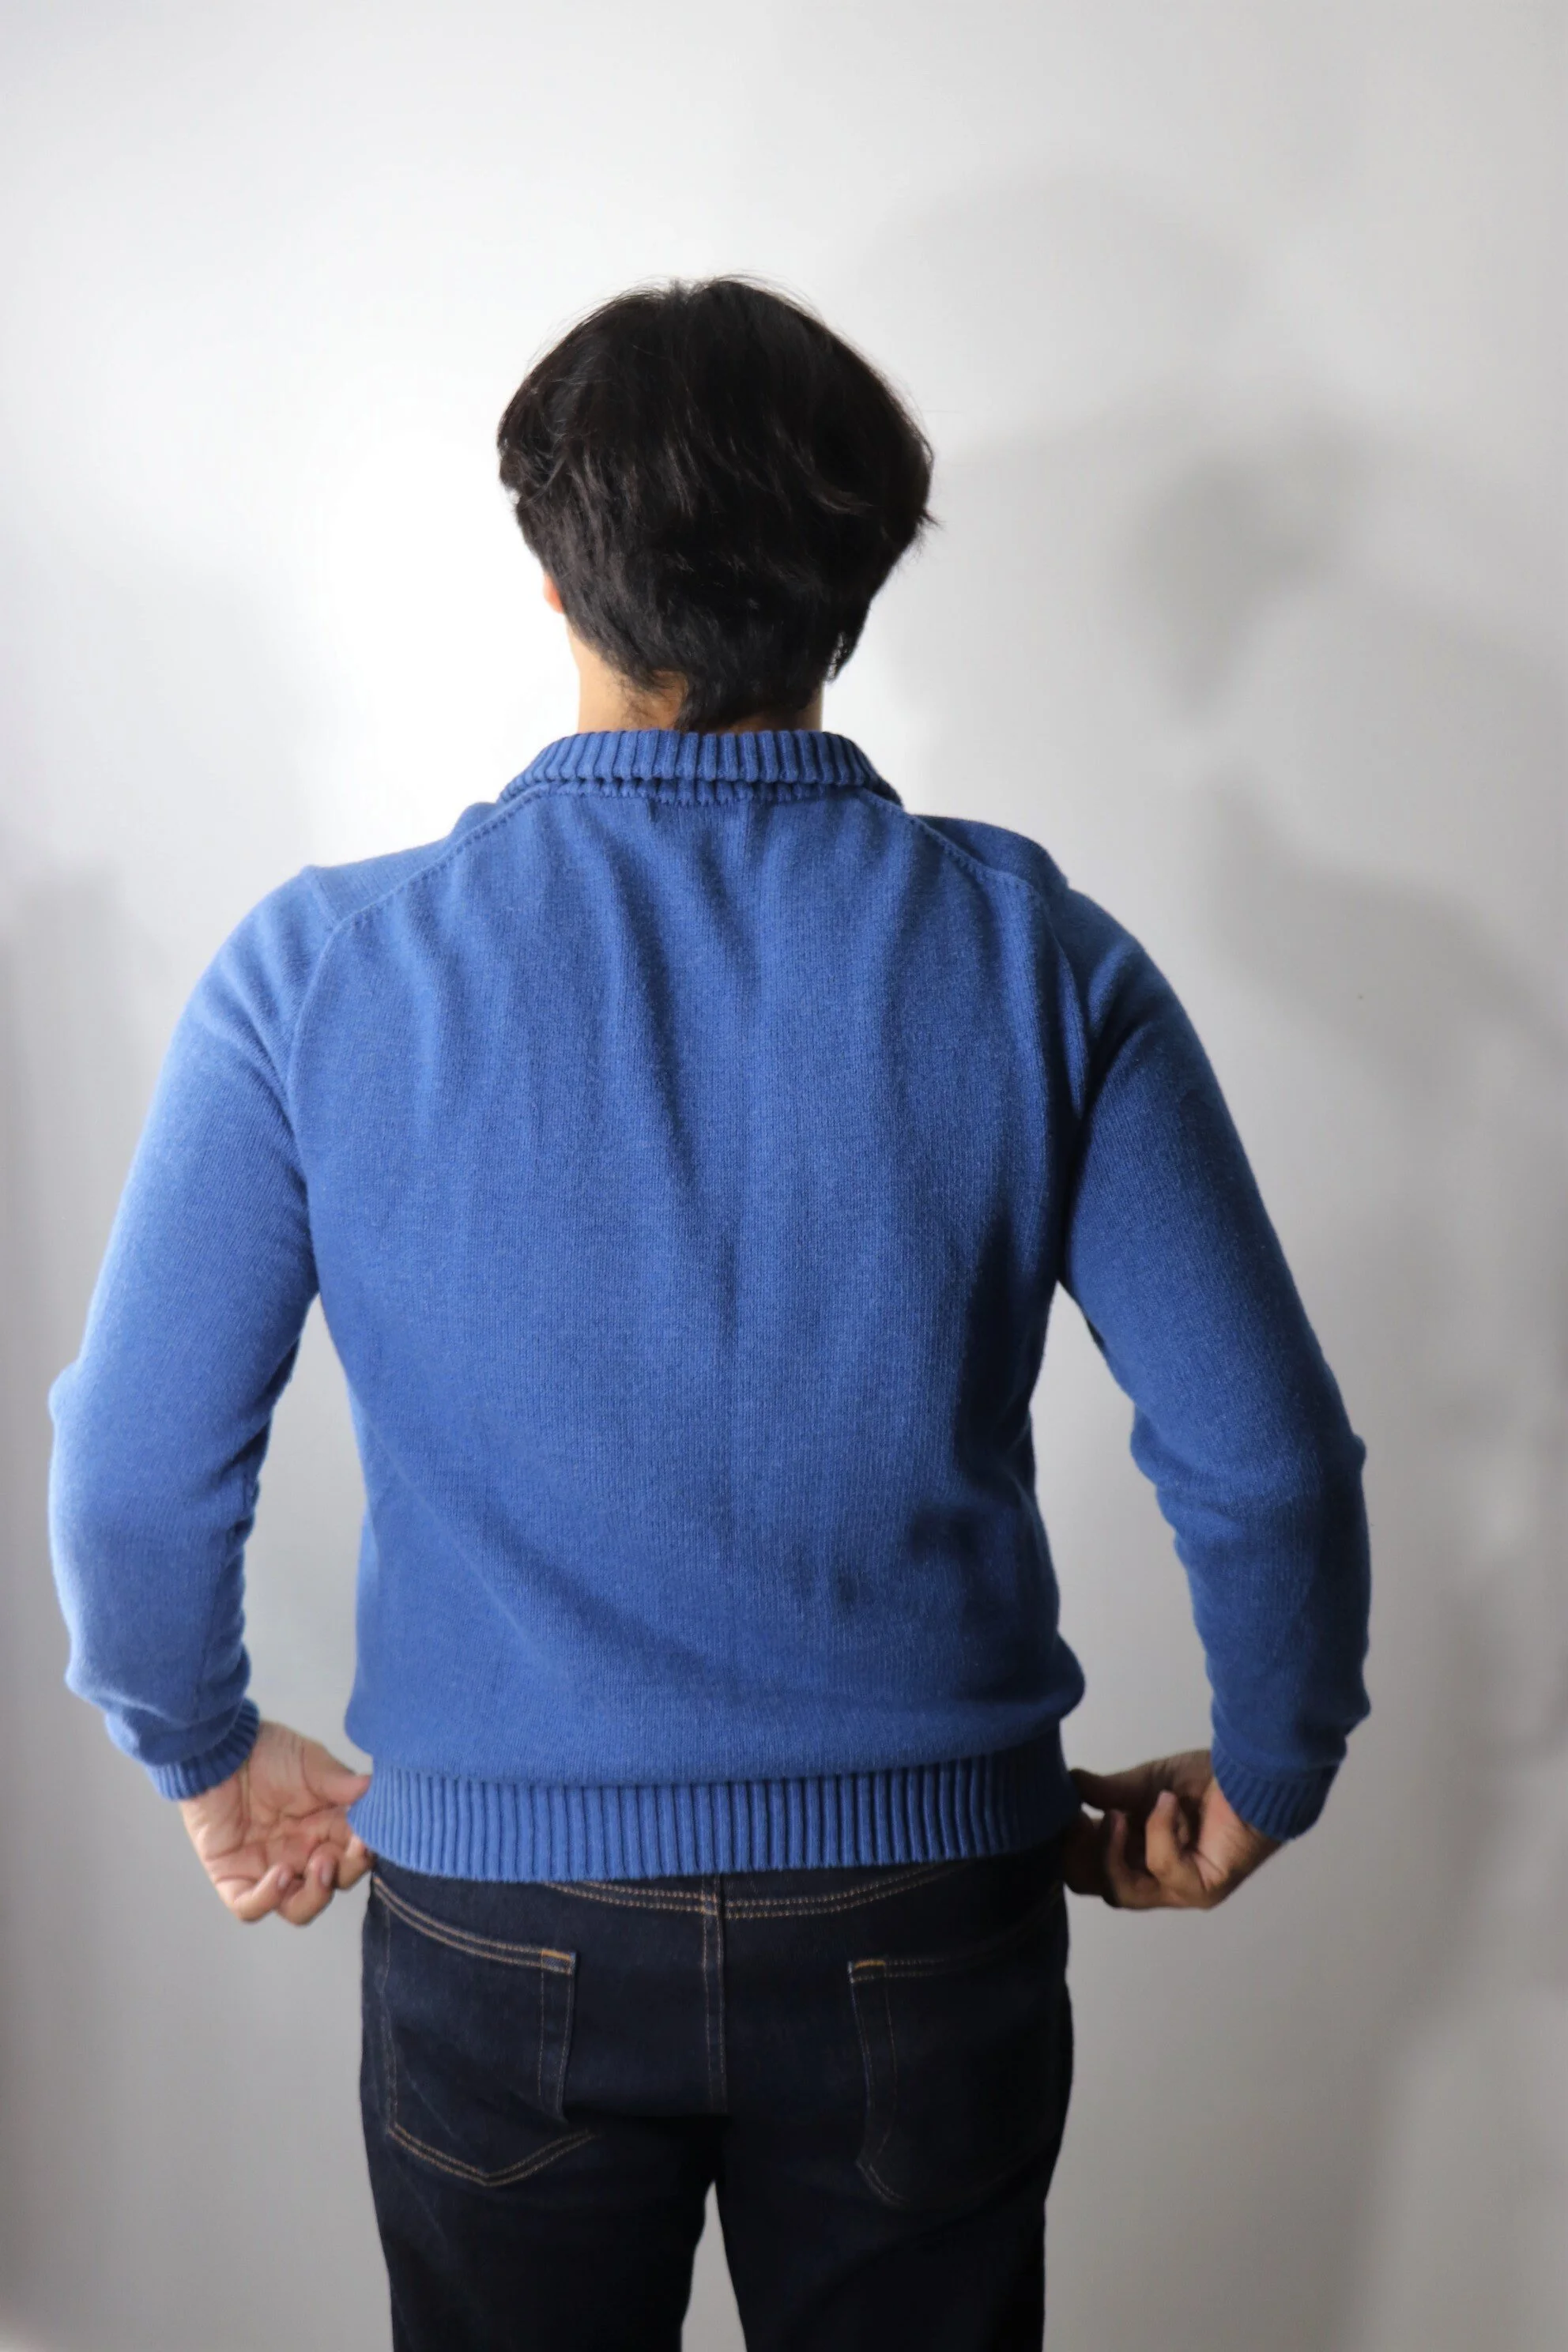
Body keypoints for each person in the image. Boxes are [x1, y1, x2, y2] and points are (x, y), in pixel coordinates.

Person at [47, 277, 1370, 2350]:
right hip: (929, 1909)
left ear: (549, 573)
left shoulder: (317, 974)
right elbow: (1268, 1460)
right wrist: (1271, 1763)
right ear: (855, 592)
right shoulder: (1040, 958)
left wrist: (204, 1757)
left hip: (503, 1925)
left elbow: (132, 1481)